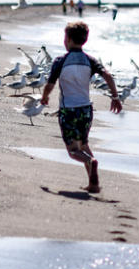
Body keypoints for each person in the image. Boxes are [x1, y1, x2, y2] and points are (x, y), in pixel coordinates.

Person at [40, 21, 122, 192]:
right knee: (83, 145)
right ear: (84, 39)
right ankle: (93, 183)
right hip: (86, 110)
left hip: (68, 110)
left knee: (73, 150)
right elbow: (107, 75)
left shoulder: (60, 61)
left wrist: (45, 97)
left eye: (64, 37)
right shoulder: (90, 60)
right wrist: (115, 97)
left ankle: (91, 162)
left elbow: (50, 84)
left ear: (68, 39)